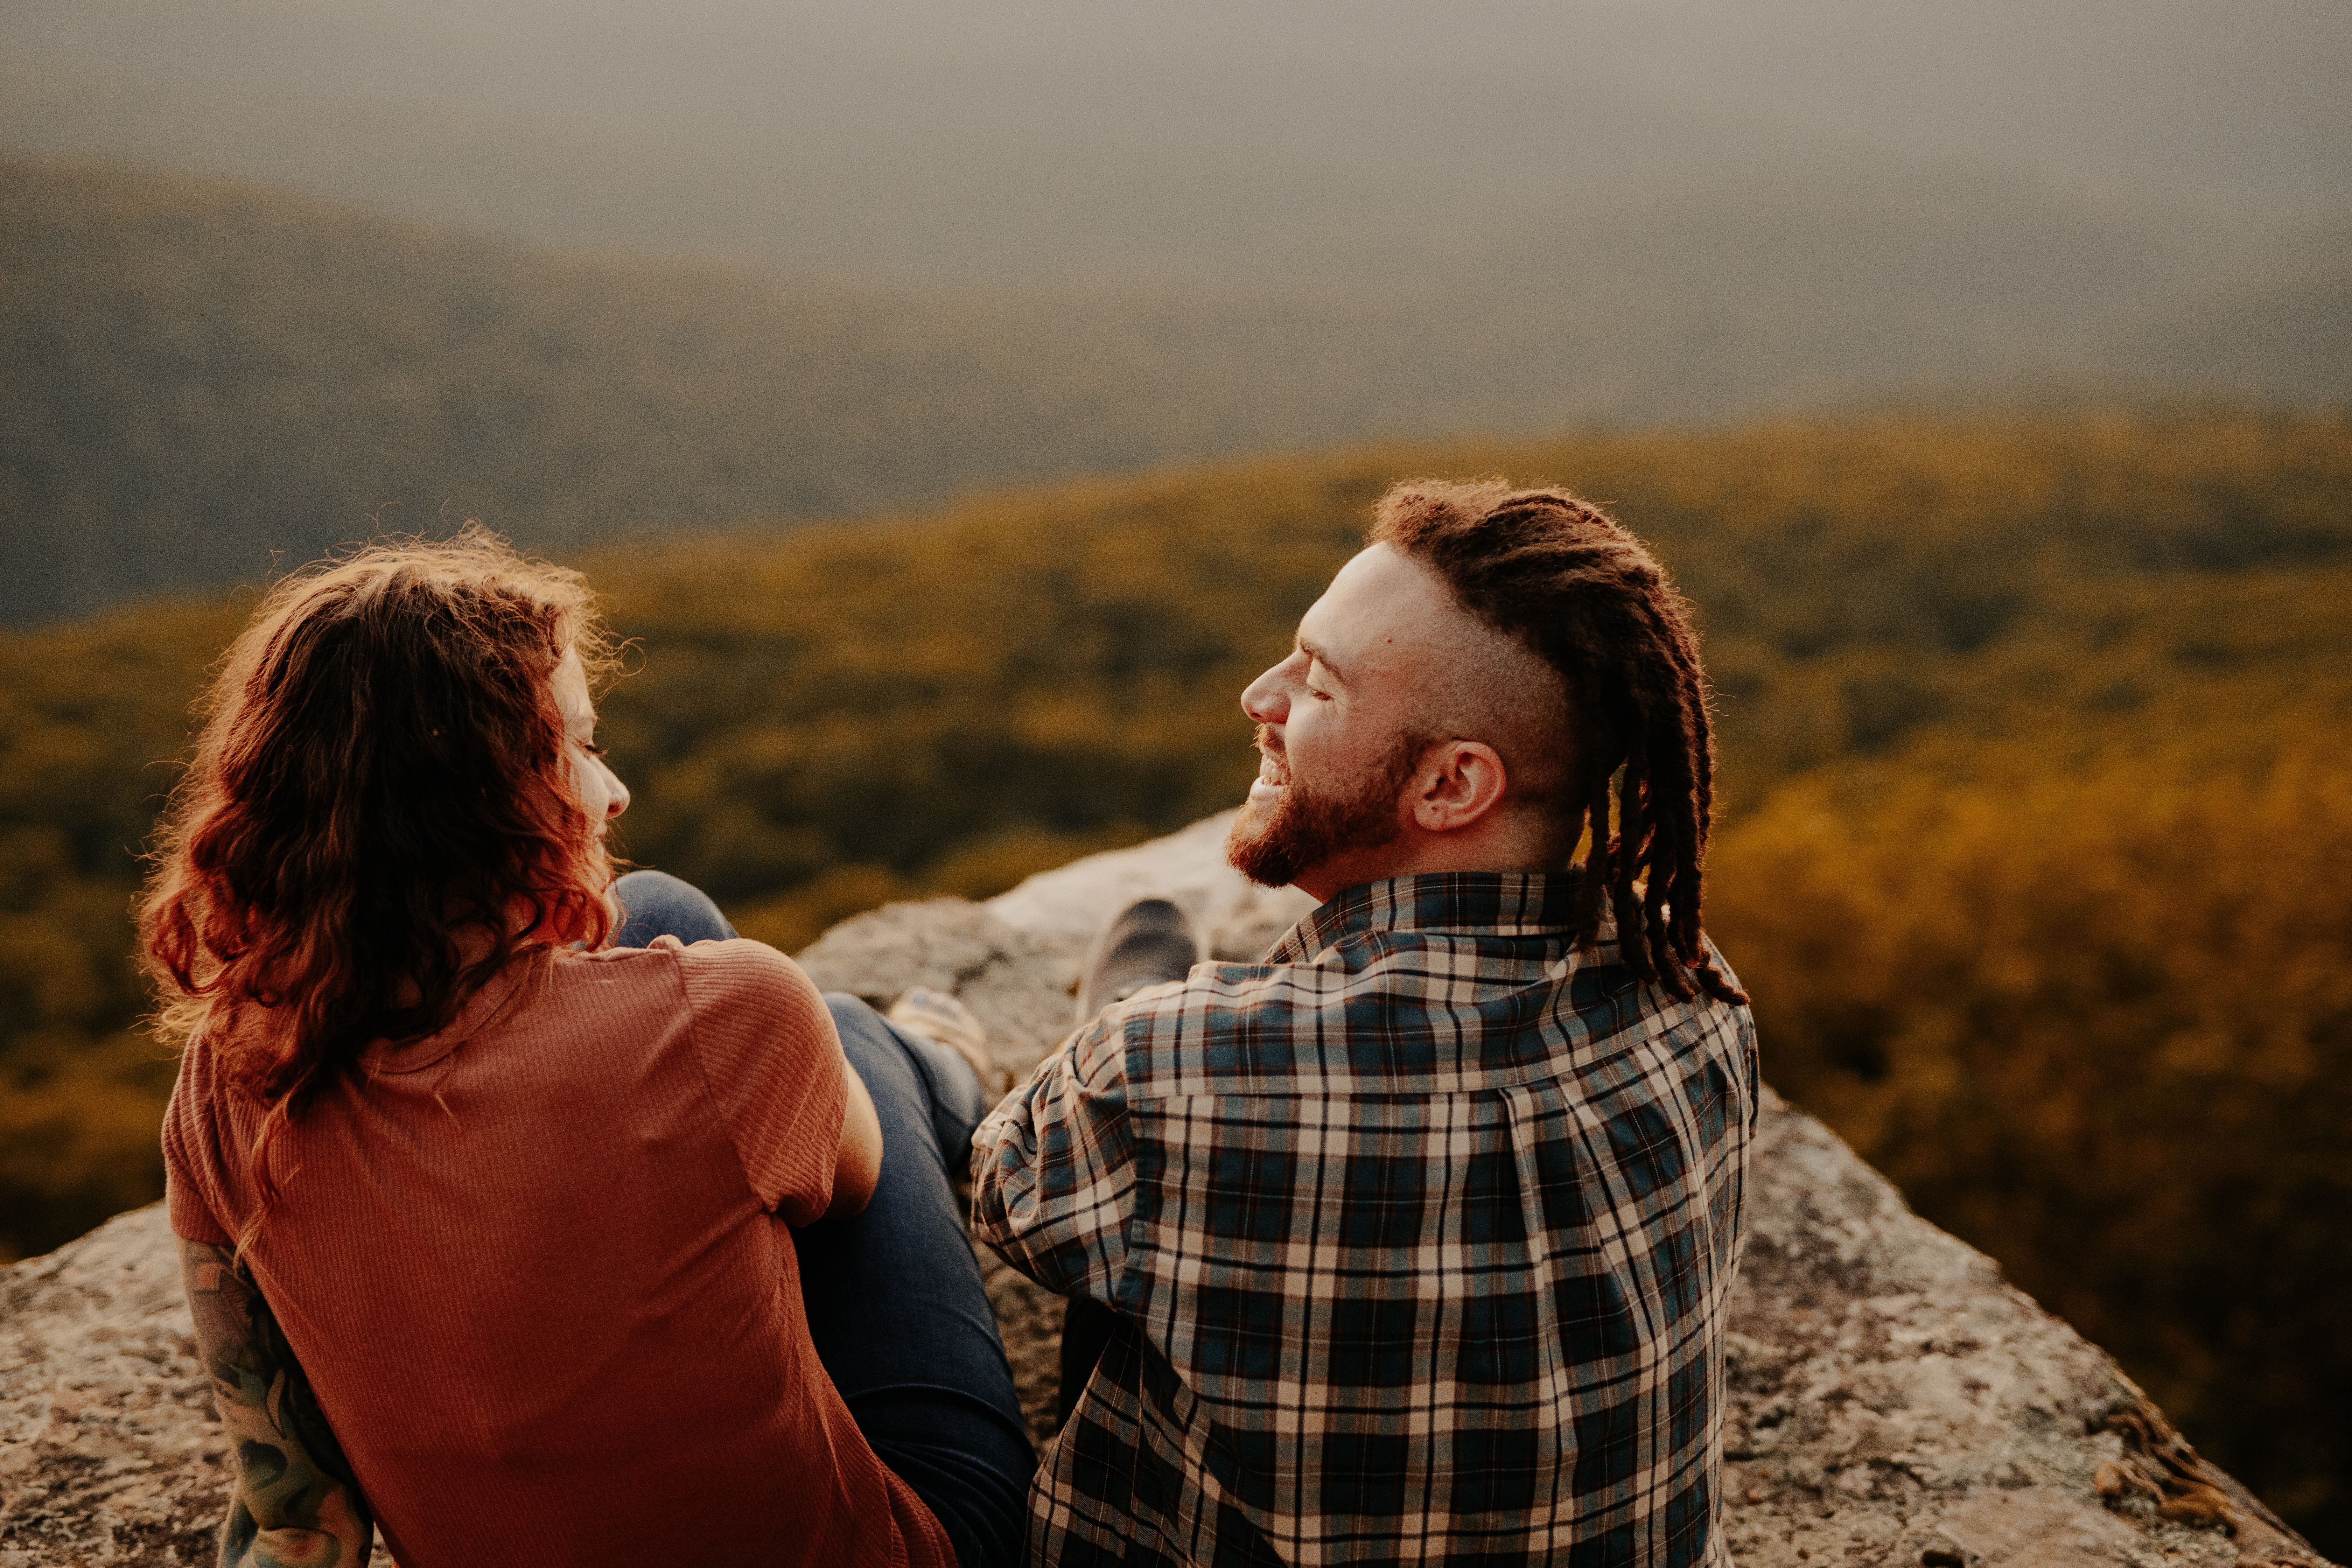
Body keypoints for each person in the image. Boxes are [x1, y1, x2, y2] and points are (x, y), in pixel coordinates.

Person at [145, 529, 1032, 1567]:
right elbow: (849, 1188)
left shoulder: (225, 1078)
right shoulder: (741, 1013)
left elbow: (296, 1514)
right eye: (575, 747)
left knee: (653, 906)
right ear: (480, 806)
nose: (613, 794)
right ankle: (941, 1063)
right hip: (901, 1545)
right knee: (846, 1032)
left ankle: (921, 1060)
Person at [972, 479, 1759, 1565]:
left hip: (1158, 1087)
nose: (1263, 695)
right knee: (1152, 1001)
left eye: (1319, 685)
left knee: (956, 1061)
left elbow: (1002, 1201)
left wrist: (1116, 1046)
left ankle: (957, 1036)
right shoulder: (1699, 998)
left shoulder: (1178, 1063)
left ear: (1451, 786)